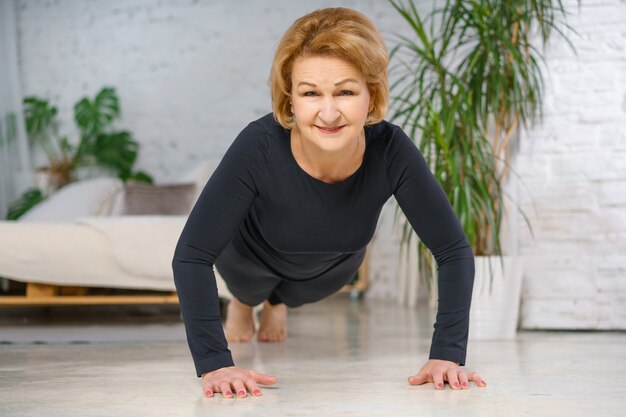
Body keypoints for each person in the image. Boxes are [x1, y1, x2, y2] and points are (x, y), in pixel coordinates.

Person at [172, 7, 486, 399]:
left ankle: (276, 302)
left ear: (372, 97)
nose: (329, 112)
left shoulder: (390, 150)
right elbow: (191, 255)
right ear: (289, 100)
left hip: (331, 265)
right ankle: (246, 300)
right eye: (310, 93)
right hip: (249, 257)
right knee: (251, 286)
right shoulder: (259, 144)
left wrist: (447, 355)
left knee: (295, 293)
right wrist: (215, 363)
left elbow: (453, 250)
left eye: (345, 91)